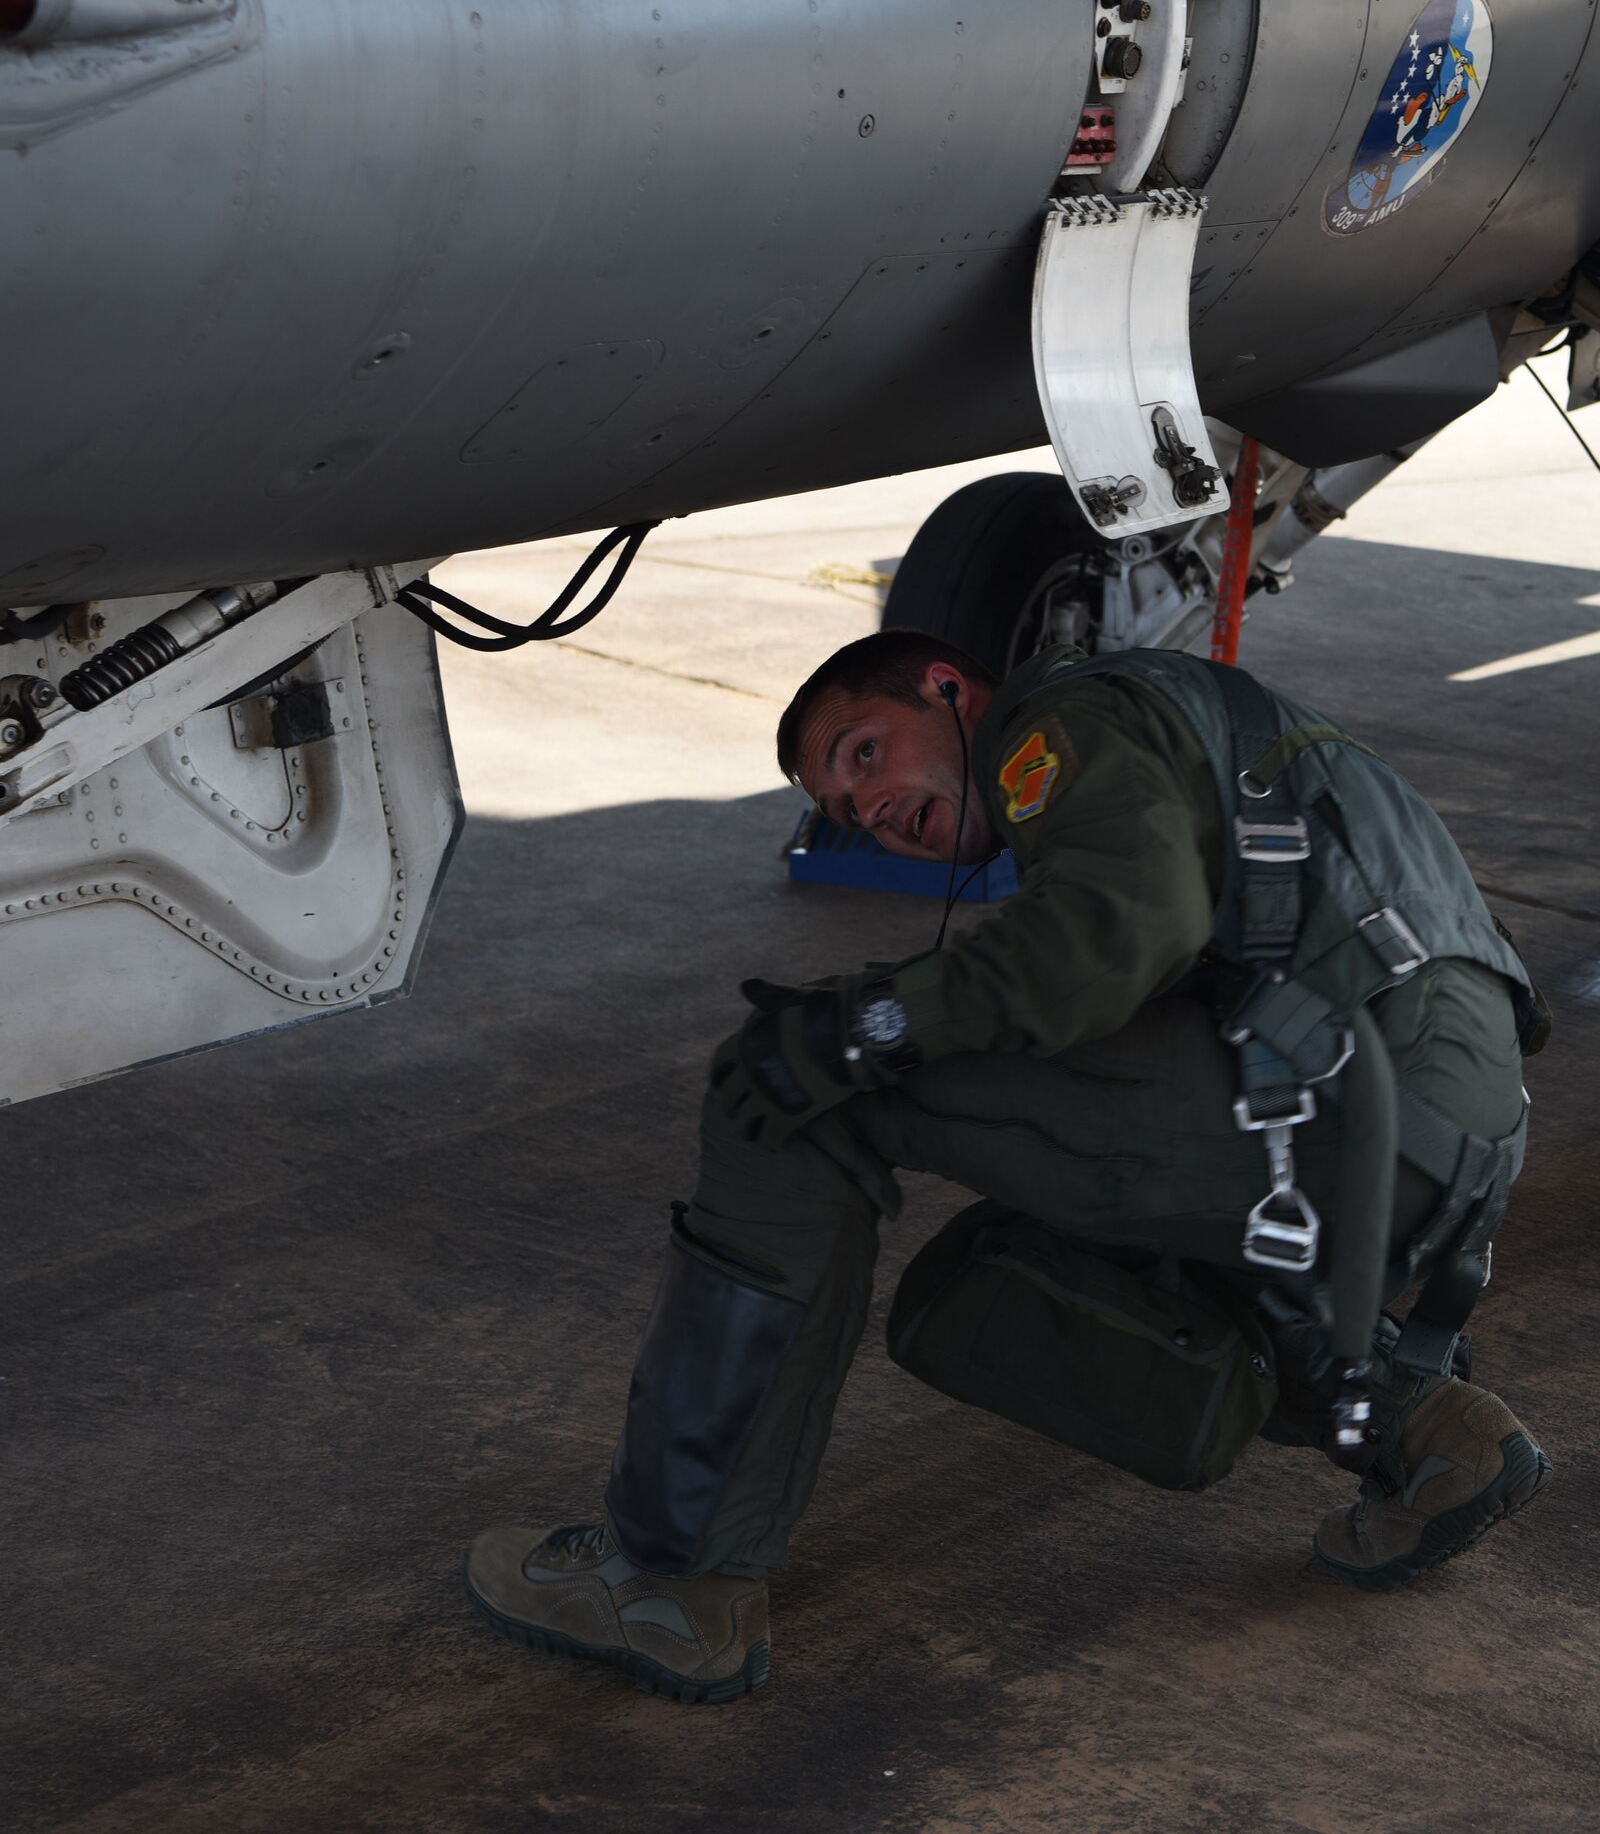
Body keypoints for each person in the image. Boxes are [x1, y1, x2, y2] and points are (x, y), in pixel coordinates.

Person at [465, 630, 1553, 1703]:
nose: (874, 812)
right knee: (1021, 1257)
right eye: (846, 812)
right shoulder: (1213, 719)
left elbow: (1109, 936)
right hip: (1436, 1129)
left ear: (949, 688)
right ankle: (1426, 1430)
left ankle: (666, 1579)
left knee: (784, 1090)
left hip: (1343, 1099)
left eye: (863, 754)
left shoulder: (1057, 721)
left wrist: (860, 1028)